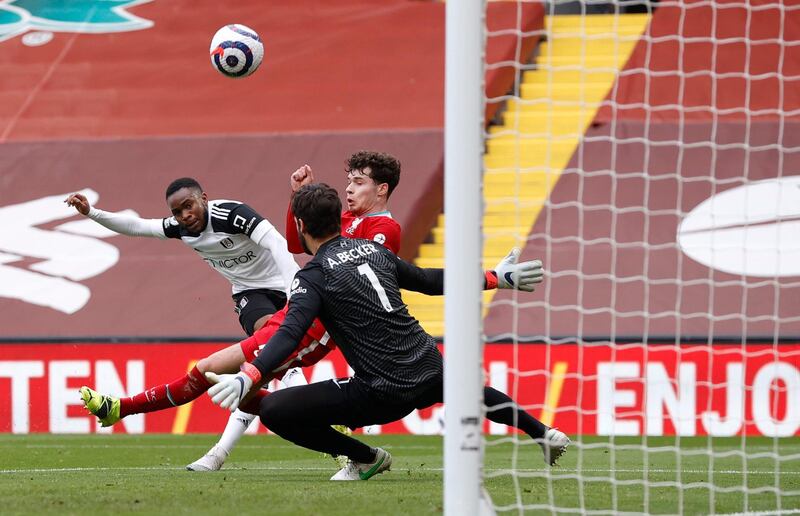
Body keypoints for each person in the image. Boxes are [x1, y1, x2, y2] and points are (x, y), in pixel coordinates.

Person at [207, 183, 570, 481]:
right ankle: (543, 433)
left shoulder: (312, 276)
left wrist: (250, 374)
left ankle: (366, 457)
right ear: (339, 219)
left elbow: (288, 334)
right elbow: (429, 281)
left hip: (383, 391)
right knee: (467, 389)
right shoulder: (370, 249)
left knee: (274, 409)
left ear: (300, 225)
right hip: (428, 366)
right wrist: (494, 278)